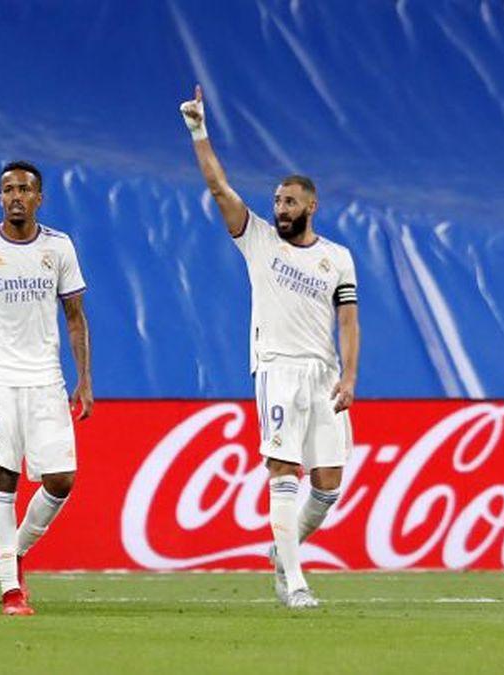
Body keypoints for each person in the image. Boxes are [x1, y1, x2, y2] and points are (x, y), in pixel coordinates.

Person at [180, 85, 361, 608]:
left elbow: (348, 320)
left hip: (323, 374)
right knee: (284, 473)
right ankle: (296, 584)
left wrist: (348, 377)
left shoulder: (338, 259)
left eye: (289, 201)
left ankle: (283, 553)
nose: (279, 208)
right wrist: (198, 130)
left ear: (311, 205)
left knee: (328, 485)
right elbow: (218, 188)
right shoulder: (257, 239)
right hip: (277, 369)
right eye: (277, 201)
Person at [0, 161, 92, 616]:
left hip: (46, 378)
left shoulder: (59, 247)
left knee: (61, 479)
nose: (15, 196)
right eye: (8, 189)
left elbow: (74, 317)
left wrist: (84, 377)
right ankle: (12, 588)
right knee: (4, 478)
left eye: (24, 190)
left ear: (39, 198)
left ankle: (17, 550)